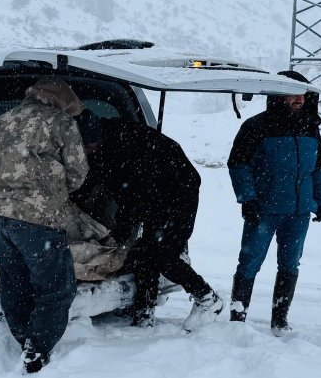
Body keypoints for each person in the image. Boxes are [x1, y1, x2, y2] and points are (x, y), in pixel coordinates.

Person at [0, 77, 88, 374]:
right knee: (56, 289)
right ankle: (36, 351)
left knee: (15, 283)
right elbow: (78, 173)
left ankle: (24, 341)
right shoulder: (59, 123)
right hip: (39, 218)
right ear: (58, 101)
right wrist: (52, 191)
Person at [86, 118, 223, 331]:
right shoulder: (109, 145)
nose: (88, 150)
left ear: (98, 138)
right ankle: (143, 312)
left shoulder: (126, 145)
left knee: (164, 256)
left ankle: (207, 298)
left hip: (179, 195)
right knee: (147, 254)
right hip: (156, 196)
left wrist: (120, 233)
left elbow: (130, 195)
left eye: (90, 146)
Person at [227, 70, 321, 336]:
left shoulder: (311, 126)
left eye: (302, 93)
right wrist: (247, 199)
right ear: (277, 95)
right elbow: (238, 165)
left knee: (290, 265)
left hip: (298, 212)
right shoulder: (256, 126)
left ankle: (280, 321)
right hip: (264, 211)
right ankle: (237, 319)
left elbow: (317, 169)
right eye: (292, 94)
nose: (299, 99)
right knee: (249, 263)